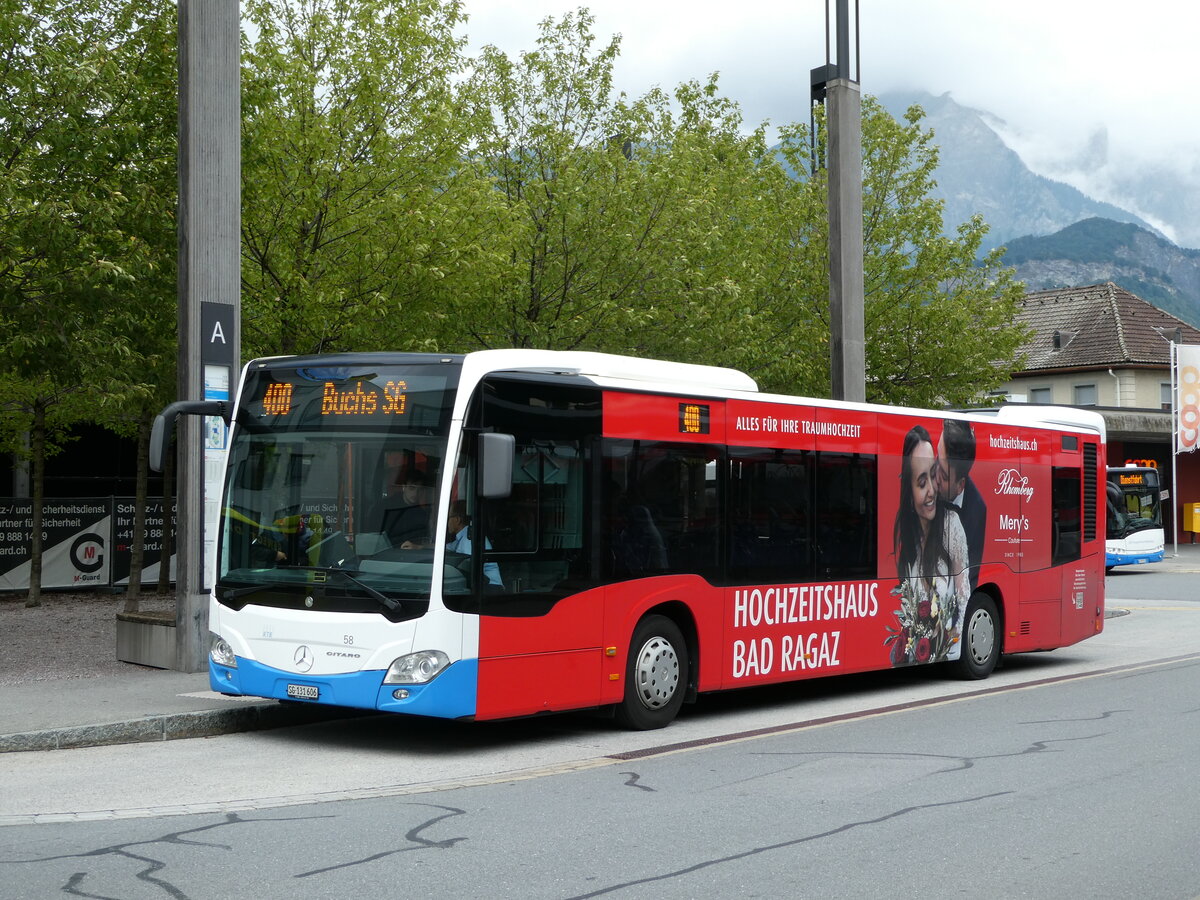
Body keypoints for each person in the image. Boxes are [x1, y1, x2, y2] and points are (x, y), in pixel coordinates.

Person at [891, 425, 969, 665]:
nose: (931, 491)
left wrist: (949, 639)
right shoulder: (907, 543)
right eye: (921, 482)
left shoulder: (952, 525)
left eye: (932, 475)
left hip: (949, 653)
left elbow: (964, 595)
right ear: (909, 489)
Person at [936, 418, 987, 590]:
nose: (933, 477)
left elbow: (967, 581)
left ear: (960, 485)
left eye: (943, 476)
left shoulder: (977, 511)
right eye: (937, 458)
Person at [443, 500, 503, 589]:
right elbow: (447, 547)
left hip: (490, 588)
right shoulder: (464, 535)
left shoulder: (469, 539)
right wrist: (420, 547)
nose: (446, 522)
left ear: (457, 520)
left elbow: (470, 571)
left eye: (448, 517)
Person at [383, 470, 434, 546]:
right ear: (404, 487)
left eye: (419, 489)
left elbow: (423, 539)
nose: (415, 493)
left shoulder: (422, 515)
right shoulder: (387, 506)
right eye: (412, 488)